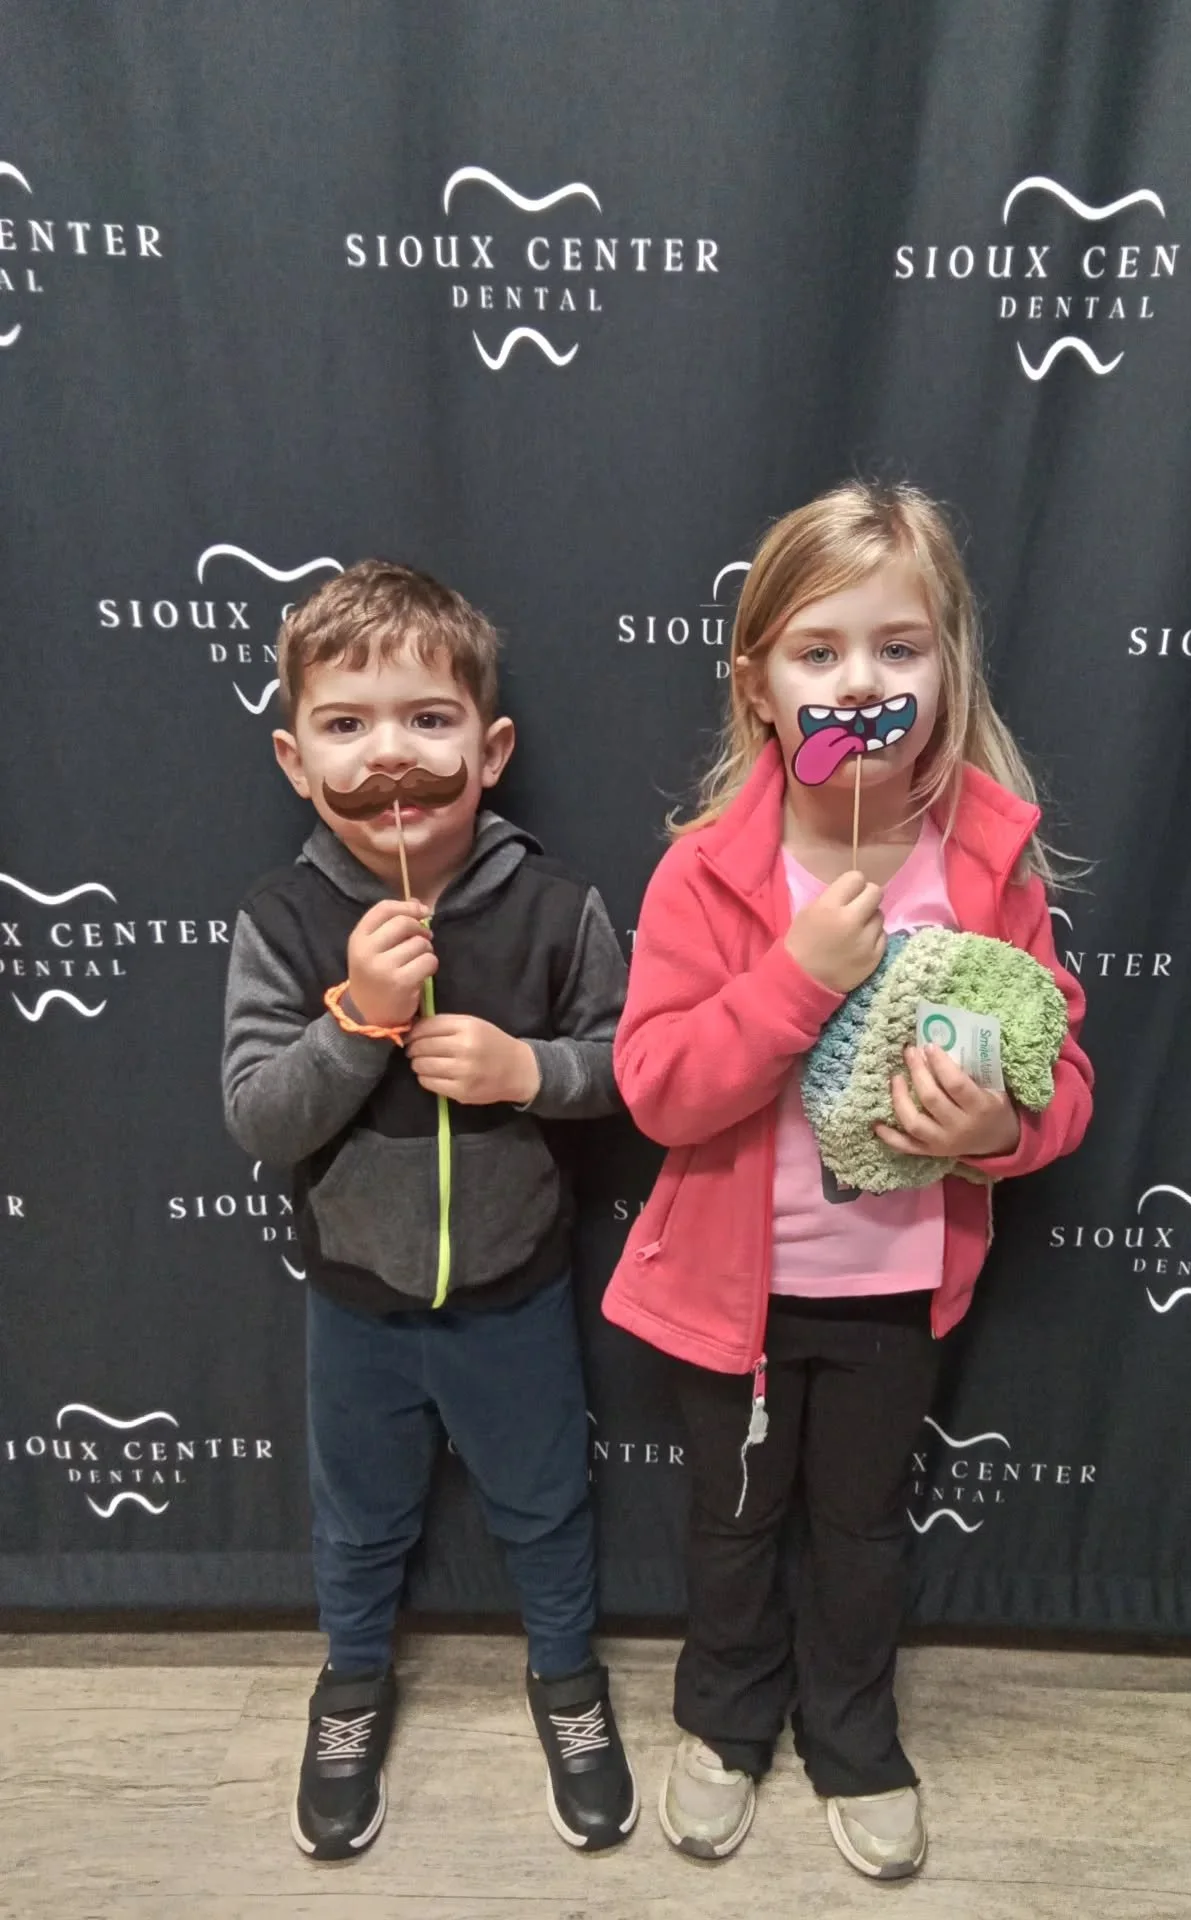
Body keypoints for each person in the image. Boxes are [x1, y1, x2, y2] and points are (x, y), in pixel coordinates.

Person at [603, 482, 1094, 1880]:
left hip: (893, 1297)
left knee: (864, 1533)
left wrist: (992, 1133)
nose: (861, 680)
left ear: (947, 670)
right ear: (758, 685)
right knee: (734, 1526)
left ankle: (855, 1731)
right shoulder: (706, 874)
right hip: (734, 1303)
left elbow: (1065, 1088)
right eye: (819, 651)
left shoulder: (988, 863)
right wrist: (795, 980)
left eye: (899, 648)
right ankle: (725, 1720)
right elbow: (659, 1088)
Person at [222, 560, 636, 1861]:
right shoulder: (282, 921)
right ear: (296, 760)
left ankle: (567, 1679)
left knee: (545, 1504)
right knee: (358, 1520)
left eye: (427, 720)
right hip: (356, 1305)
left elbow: (634, 1068)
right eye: (346, 727)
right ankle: (350, 1685)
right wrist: (358, 1021)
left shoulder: (560, 906)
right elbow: (258, 1116)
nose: (388, 758)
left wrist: (528, 1072)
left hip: (518, 1294)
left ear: (491, 746)